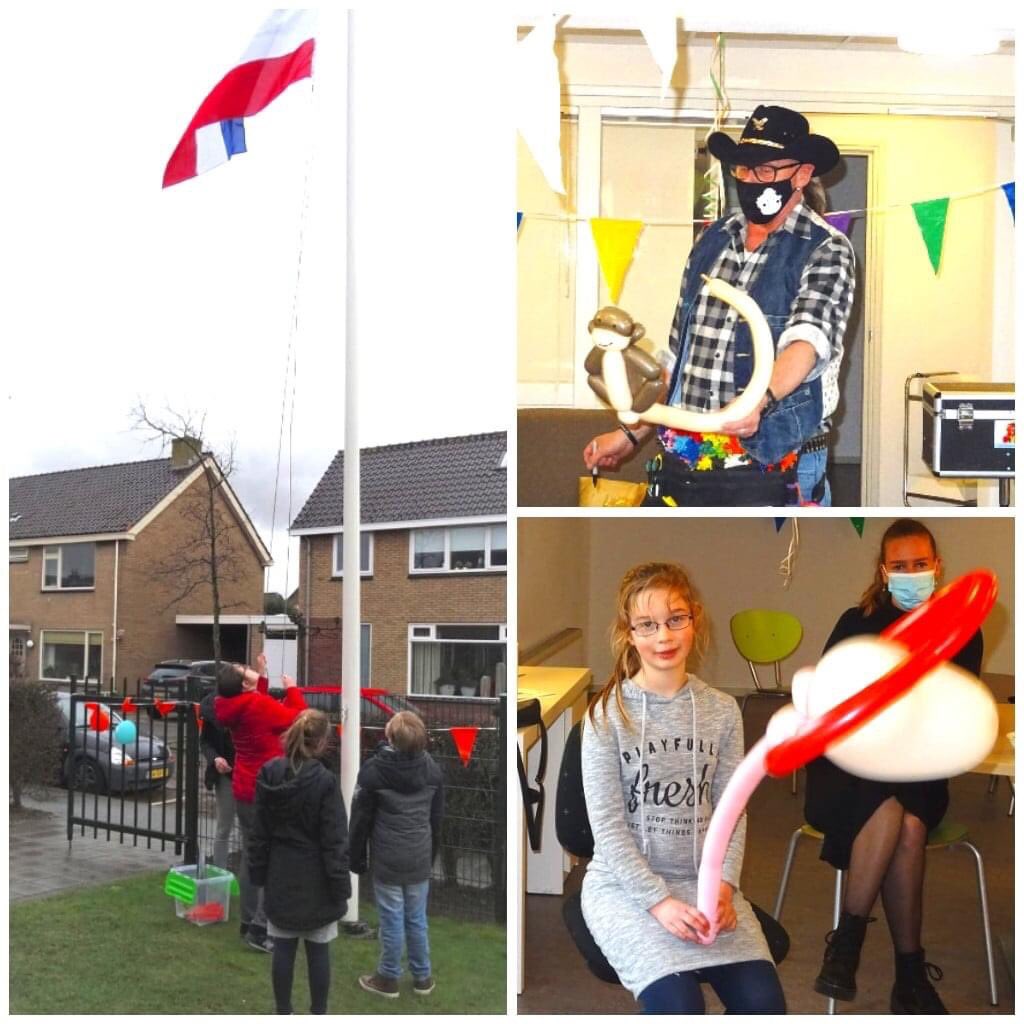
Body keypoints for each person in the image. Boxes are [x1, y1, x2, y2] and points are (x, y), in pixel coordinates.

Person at [583, 104, 856, 507]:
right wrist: (631, 434)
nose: (750, 181)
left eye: (765, 171)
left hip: (776, 460)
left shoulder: (826, 249)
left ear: (801, 174)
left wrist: (758, 402)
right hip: (687, 461)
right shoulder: (712, 241)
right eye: (743, 169)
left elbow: (807, 343)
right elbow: (678, 361)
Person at [580, 561, 786, 1013]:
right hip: (626, 889)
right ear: (629, 633)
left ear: (695, 619)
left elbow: (733, 811)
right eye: (648, 625)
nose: (664, 637)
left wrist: (725, 887)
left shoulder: (723, 711)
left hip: (704, 883)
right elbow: (608, 829)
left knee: (764, 1004)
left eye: (676, 619)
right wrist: (659, 903)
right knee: (680, 1006)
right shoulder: (605, 717)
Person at [804, 519, 982, 1013]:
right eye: (899, 566)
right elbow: (825, 698)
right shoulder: (855, 621)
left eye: (920, 564)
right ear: (884, 571)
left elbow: (955, 713)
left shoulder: (961, 627)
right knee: (895, 817)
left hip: (919, 764)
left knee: (904, 817)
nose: (910, 574)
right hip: (847, 764)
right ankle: (908, 975)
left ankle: (847, 946)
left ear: (937, 566)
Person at [250, 709, 351, 1016]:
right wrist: (340, 887)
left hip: (285, 872)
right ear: (320, 743)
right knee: (316, 949)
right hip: (310, 874)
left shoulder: (302, 777)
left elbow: (258, 832)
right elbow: (335, 840)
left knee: (284, 946)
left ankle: (284, 1012)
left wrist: (259, 874)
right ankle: (315, 1013)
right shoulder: (281, 775)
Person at [214, 659, 307, 953]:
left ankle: (248, 920)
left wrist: (262, 677)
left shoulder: (231, 704)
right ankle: (261, 927)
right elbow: (296, 717)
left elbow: (258, 708)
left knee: (251, 855)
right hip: (266, 790)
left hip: (244, 788)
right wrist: (293, 689)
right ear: (245, 684)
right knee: (273, 857)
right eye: (244, 669)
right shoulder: (255, 705)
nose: (247, 666)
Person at [350, 710, 444, 999]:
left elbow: (360, 820)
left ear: (390, 737)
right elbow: (437, 820)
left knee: (392, 919)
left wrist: (355, 857)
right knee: (416, 918)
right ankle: (422, 977)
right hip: (419, 855)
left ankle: (388, 977)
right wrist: (431, 855)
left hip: (388, 858)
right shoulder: (433, 771)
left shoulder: (372, 771)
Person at [199, 686, 236, 870]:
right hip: (227, 775)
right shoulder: (212, 709)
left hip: (251, 775)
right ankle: (219, 873)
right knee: (224, 827)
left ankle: (250, 878)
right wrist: (215, 758)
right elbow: (205, 741)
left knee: (251, 829)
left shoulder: (253, 705)